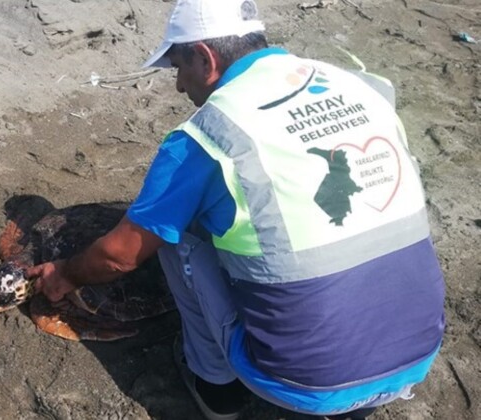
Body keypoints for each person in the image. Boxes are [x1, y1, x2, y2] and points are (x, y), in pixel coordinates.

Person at [26, 0, 445, 418]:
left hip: (306, 382)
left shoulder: (211, 133)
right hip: (416, 355)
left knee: (173, 229)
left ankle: (216, 388)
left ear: (205, 58)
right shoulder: (362, 86)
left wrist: (63, 275)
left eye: (178, 67)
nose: (178, 86)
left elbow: (119, 255)